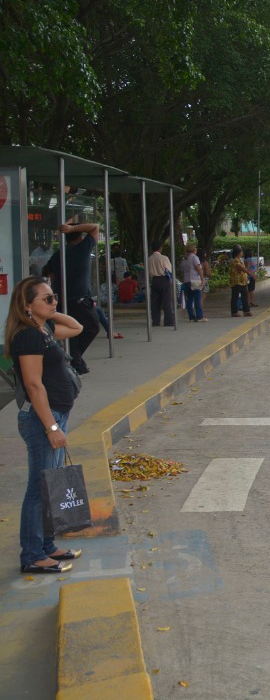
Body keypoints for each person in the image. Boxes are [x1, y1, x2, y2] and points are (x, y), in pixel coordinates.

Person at [6, 276, 84, 574]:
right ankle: (33, 555)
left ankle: (47, 546)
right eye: (47, 299)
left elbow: (76, 327)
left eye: (54, 297)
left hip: (55, 415)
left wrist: (49, 311)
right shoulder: (28, 336)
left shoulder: (44, 329)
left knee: (49, 486)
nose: (54, 303)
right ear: (27, 306)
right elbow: (33, 385)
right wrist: (51, 427)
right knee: (38, 490)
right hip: (42, 420)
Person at [41, 219, 100, 375]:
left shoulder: (57, 255)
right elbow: (95, 227)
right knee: (92, 326)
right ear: (80, 237)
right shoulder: (83, 249)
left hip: (63, 300)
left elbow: (49, 275)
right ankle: (75, 359)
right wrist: (72, 227)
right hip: (81, 300)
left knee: (71, 332)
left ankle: (77, 361)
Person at [147, 242, 175, 328]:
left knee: (155, 302)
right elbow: (169, 269)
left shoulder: (149, 259)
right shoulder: (164, 258)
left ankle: (155, 321)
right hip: (164, 279)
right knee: (167, 301)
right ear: (160, 248)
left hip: (154, 280)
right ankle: (168, 321)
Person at [180, 245, 207, 322]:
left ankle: (191, 317)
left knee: (189, 299)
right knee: (197, 298)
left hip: (186, 280)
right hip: (195, 279)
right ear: (193, 250)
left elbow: (182, 270)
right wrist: (202, 278)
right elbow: (198, 268)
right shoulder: (194, 257)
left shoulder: (184, 259)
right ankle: (199, 316)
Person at [229, 245, 251, 317]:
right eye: (241, 251)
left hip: (242, 282)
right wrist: (248, 267)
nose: (242, 253)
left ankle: (246, 311)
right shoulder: (235, 261)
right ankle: (234, 312)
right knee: (235, 297)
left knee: (245, 296)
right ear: (238, 253)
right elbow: (243, 269)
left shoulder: (240, 260)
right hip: (237, 282)